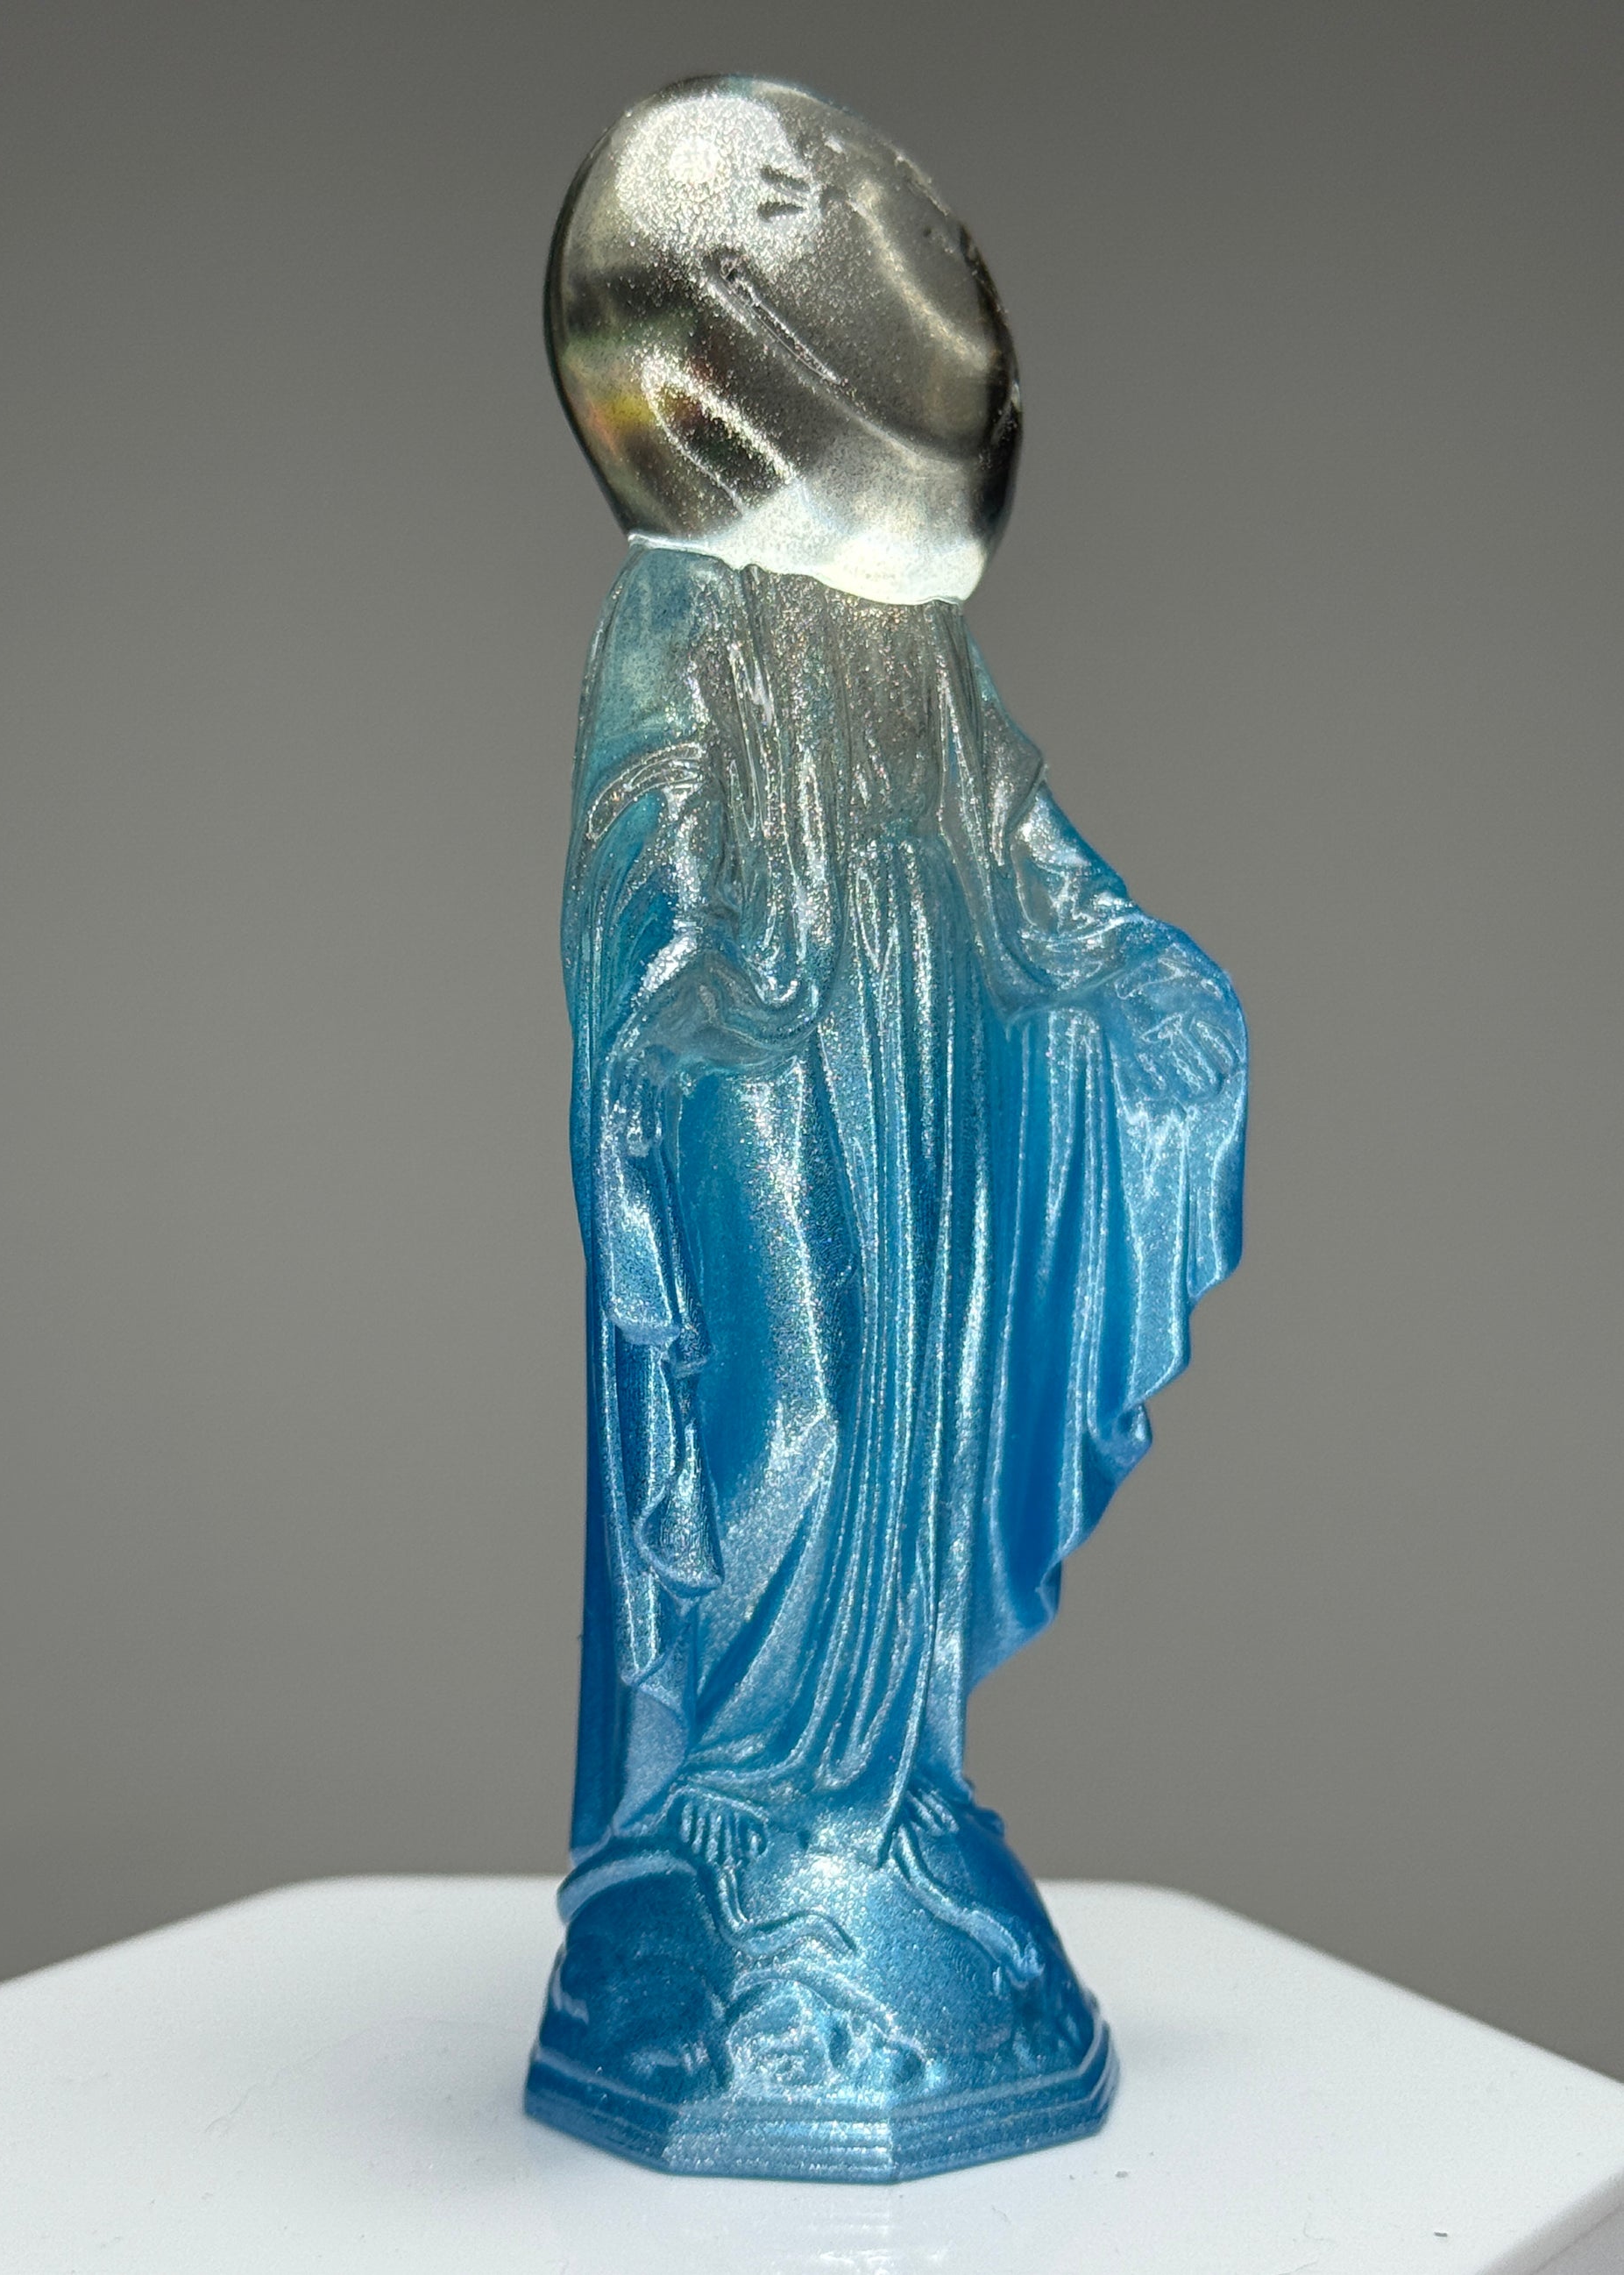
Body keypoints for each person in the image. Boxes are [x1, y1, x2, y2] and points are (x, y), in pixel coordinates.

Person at [527, 77, 1247, 2182]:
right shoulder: (678, 607)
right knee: (794, 1408)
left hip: (911, 1088)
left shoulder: (921, 656)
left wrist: (1123, 965)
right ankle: (756, 1817)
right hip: (754, 1076)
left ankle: (878, 1795)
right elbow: (642, 824)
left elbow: (1020, 849)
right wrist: (686, 981)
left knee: (903, 1428)